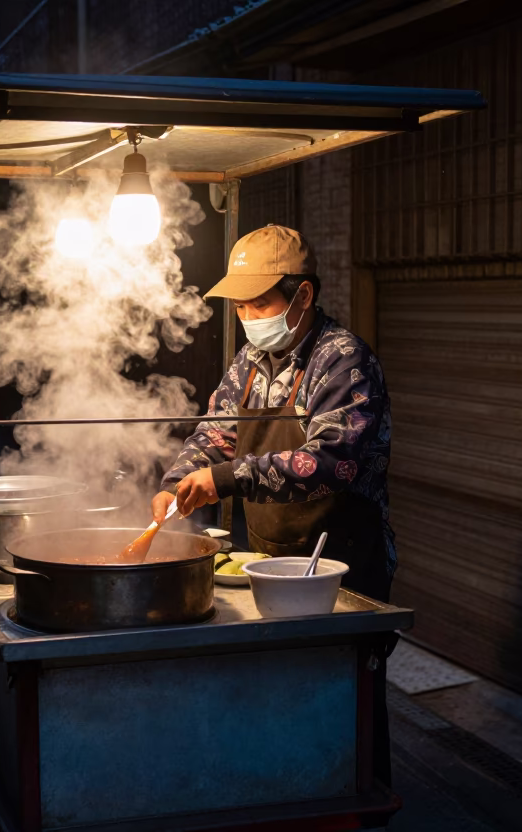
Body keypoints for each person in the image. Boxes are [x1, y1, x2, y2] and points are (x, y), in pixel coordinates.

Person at [154, 223, 397, 782]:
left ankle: (358, 804)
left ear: (302, 295)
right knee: (277, 696)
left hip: (343, 566)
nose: (247, 317)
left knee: (344, 701)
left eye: (259, 303)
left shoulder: (344, 360)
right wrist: (179, 479)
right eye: (240, 307)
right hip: (267, 559)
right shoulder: (249, 361)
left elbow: (332, 460)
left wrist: (224, 479)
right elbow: (215, 432)